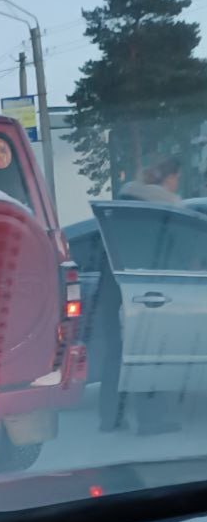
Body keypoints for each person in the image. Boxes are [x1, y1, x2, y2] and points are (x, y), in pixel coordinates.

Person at [100, 155, 183, 435]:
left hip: (114, 290)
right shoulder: (162, 210)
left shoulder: (124, 204)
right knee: (152, 354)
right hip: (150, 292)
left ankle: (110, 419)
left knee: (118, 356)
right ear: (167, 178)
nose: (177, 184)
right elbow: (175, 255)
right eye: (176, 178)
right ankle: (151, 421)